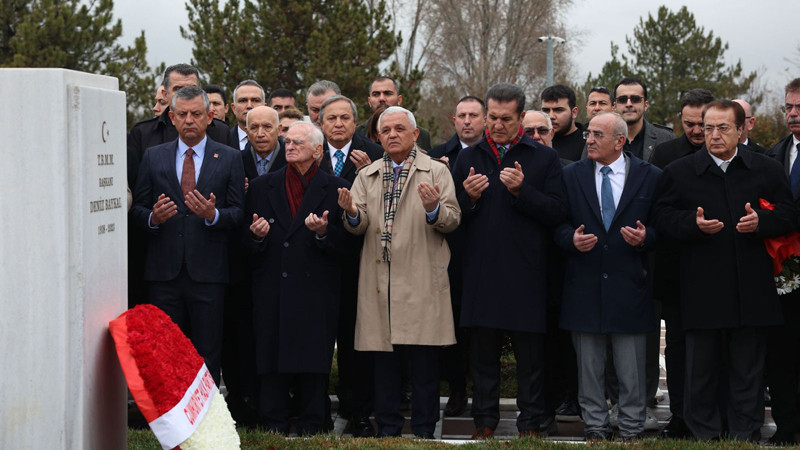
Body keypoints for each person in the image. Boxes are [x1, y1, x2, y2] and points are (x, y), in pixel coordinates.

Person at [653, 100, 795, 441]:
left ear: (742, 129)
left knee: (747, 369)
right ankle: (705, 433)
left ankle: (745, 432)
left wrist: (763, 221)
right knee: (701, 368)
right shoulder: (680, 171)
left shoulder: (767, 169)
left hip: (752, 288)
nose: (712, 135)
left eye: (723, 128)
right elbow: (661, 217)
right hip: (701, 287)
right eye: (708, 127)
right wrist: (692, 223)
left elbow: (791, 213)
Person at [338, 106, 461, 438]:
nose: (392, 134)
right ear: (378, 137)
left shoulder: (436, 171)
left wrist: (434, 207)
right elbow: (359, 223)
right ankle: (388, 429)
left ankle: (423, 430)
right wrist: (350, 212)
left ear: (415, 134)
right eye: (385, 130)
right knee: (385, 366)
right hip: (380, 281)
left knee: (424, 365)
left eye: (399, 129)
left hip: (421, 279)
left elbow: (452, 219)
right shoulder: (367, 174)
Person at [452, 83, 566, 439]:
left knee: (531, 359)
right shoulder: (469, 157)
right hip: (482, 274)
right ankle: (484, 422)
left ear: (521, 118)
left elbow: (558, 211)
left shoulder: (544, 158)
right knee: (482, 358)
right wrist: (467, 198)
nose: (497, 125)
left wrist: (522, 192)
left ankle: (530, 423)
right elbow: (451, 216)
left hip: (526, 274)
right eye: (493, 118)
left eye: (506, 119)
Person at [555, 112, 661, 441]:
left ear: (620, 141)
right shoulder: (571, 175)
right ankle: (596, 429)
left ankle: (631, 430)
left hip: (630, 286)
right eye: (588, 133)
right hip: (583, 287)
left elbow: (664, 226)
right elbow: (556, 224)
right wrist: (570, 239)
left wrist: (647, 238)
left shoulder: (650, 176)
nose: (589, 139)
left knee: (631, 370)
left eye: (598, 135)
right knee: (589, 369)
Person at [130, 85, 245, 385]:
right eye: (182, 114)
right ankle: (172, 422)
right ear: (172, 116)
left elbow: (238, 213)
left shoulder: (230, 158)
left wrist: (213, 215)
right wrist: (153, 217)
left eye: (196, 114)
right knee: (166, 350)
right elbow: (137, 210)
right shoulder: (154, 157)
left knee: (207, 351)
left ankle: (207, 418)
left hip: (209, 274)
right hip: (163, 274)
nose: (189, 120)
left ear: (209, 116)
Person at [245, 121, 355, 435]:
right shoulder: (264, 184)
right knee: (272, 358)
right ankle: (274, 423)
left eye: (298, 142)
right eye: (288, 141)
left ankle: (312, 423)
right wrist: (256, 237)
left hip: (315, 289)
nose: (290, 146)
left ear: (317, 151)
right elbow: (244, 242)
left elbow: (348, 246)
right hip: (273, 287)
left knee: (312, 359)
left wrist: (323, 234)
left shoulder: (335, 187)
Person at [317, 94, 384, 436]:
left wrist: (364, 173)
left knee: (356, 341)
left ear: (356, 123)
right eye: (332, 118)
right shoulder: (311, 152)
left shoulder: (372, 154)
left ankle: (358, 409)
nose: (339, 124)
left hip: (360, 261)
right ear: (321, 123)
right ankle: (317, 408)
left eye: (345, 118)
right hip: (319, 260)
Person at [649, 88, 714, 439]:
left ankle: (711, 414)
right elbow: (656, 209)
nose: (696, 131)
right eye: (688, 124)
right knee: (676, 348)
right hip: (676, 268)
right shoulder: (666, 154)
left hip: (717, 271)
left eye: (701, 123)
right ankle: (680, 415)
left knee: (713, 347)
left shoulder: (729, 153)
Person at [429, 95, 487, 418]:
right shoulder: (437, 157)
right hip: (448, 253)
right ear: (453, 120)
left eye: (473, 115)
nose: (467, 121)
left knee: (478, 329)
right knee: (450, 325)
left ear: (485, 119)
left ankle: (480, 387)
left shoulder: (495, 156)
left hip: (484, 255)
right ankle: (456, 387)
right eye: (461, 115)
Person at [765, 77, 800, 444]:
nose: (792, 114)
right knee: (781, 353)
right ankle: (787, 427)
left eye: (799, 108)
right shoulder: (774, 155)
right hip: (783, 276)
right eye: (788, 107)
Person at [355, 76, 432, 150]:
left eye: (387, 93)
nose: (382, 99)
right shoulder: (356, 133)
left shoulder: (422, 135)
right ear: (369, 101)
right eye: (376, 94)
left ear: (399, 100)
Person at [612, 77, 674, 162]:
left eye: (635, 99)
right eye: (622, 99)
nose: (629, 104)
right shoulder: (602, 140)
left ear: (646, 105)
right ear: (614, 106)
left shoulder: (666, 139)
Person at [429, 95, 486, 165]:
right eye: (462, 116)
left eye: (473, 115)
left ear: (485, 121)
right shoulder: (435, 157)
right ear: (455, 121)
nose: (467, 121)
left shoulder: (499, 153)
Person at [541, 84, 585, 162]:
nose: (551, 116)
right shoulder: (534, 141)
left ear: (574, 112)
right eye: (546, 110)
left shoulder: (589, 143)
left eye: (558, 110)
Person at [241, 106, 287, 181]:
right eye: (254, 128)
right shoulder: (237, 161)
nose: (260, 134)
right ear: (247, 132)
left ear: (279, 130)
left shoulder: (291, 161)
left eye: (267, 127)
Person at [228, 80, 266, 151]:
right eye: (243, 100)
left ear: (265, 106)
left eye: (255, 100)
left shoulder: (277, 143)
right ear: (234, 108)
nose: (249, 106)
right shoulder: (223, 141)